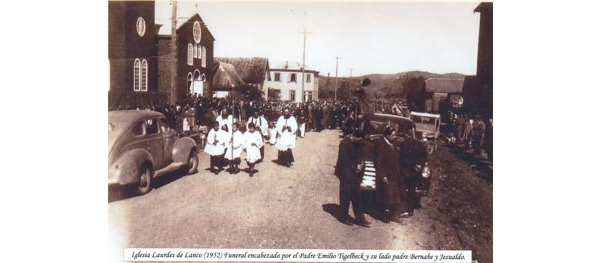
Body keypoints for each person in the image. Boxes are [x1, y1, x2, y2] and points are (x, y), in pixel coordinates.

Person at [334, 130, 371, 227]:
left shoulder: (357, 143)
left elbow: (361, 155)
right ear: (354, 136)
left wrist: (361, 164)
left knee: (357, 197)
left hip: (355, 175)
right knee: (345, 196)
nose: (360, 141)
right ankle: (343, 217)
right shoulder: (344, 143)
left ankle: (360, 218)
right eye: (359, 139)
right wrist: (356, 166)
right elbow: (344, 160)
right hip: (345, 174)